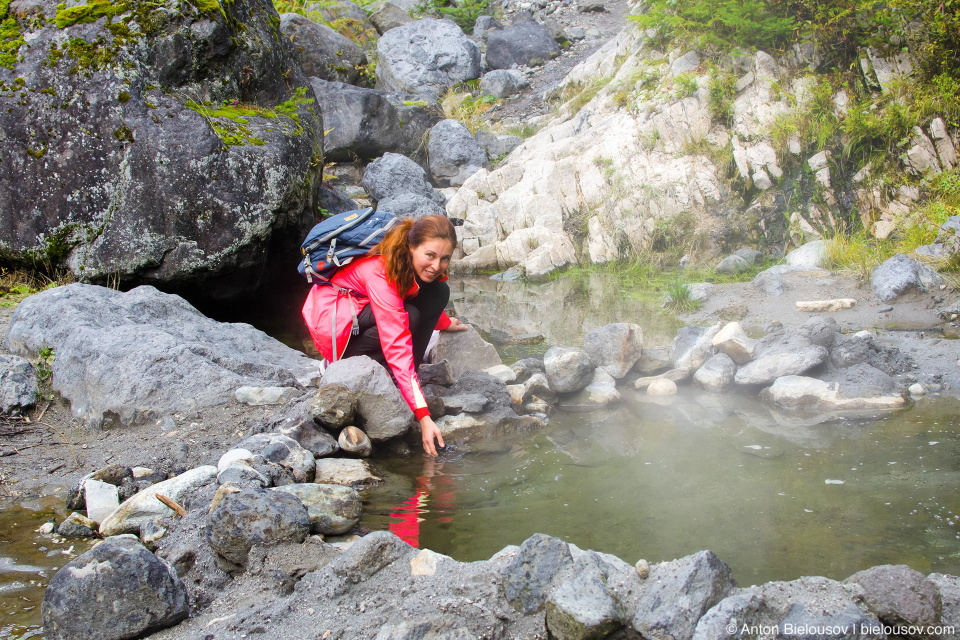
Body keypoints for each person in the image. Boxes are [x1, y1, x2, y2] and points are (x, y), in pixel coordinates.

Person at [301, 214, 468, 456]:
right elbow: (397, 345)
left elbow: (427, 294)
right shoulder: (381, 272)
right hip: (337, 329)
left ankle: (408, 381)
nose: (436, 265)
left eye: (445, 259)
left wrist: (442, 322)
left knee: (438, 289)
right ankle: (335, 365)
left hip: (362, 309)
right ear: (411, 247)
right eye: (430, 255)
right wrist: (423, 416)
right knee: (409, 316)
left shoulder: (408, 259)